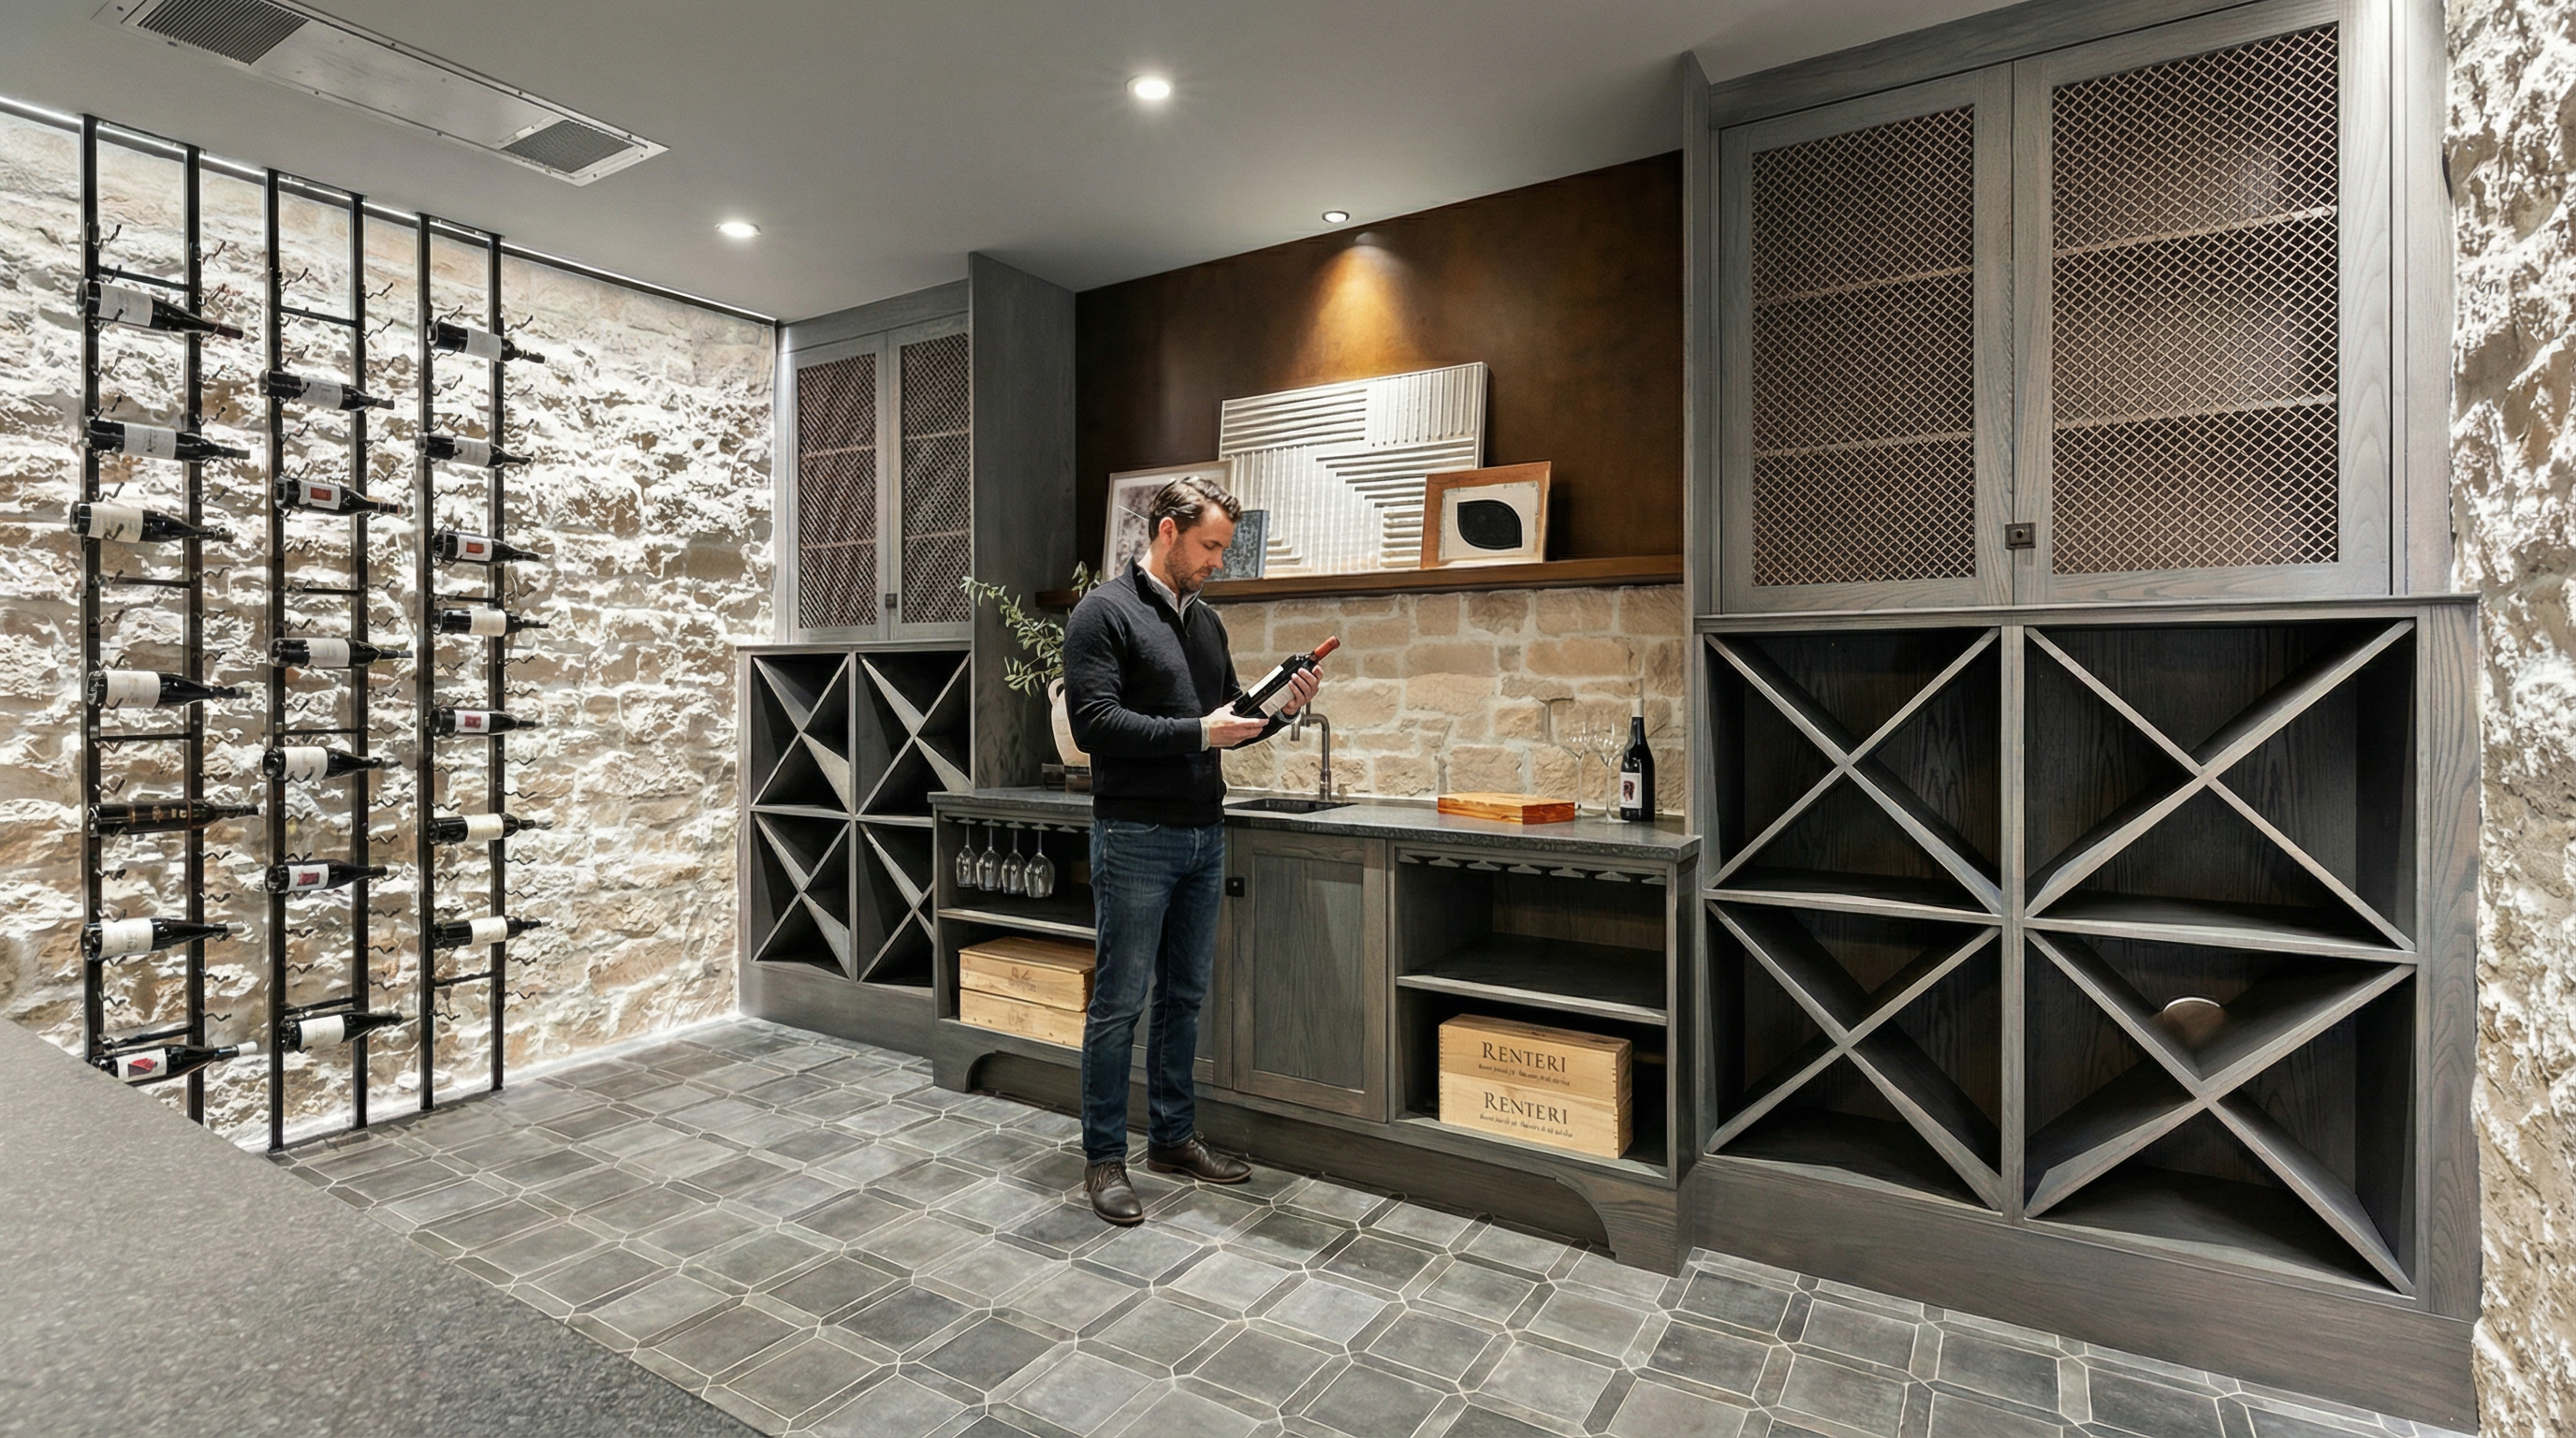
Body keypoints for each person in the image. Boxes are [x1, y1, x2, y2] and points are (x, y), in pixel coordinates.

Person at [1061, 475, 1322, 1225]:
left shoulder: (1206, 626)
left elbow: (1231, 717)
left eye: (1224, 548)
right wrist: (1201, 733)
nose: (1218, 562)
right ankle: (1104, 1157)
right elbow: (1095, 727)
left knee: (1184, 997)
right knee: (1118, 1004)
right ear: (1168, 533)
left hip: (1203, 835)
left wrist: (1280, 709)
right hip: (1135, 835)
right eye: (1209, 546)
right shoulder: (1101, 614)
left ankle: (1172, 1139)